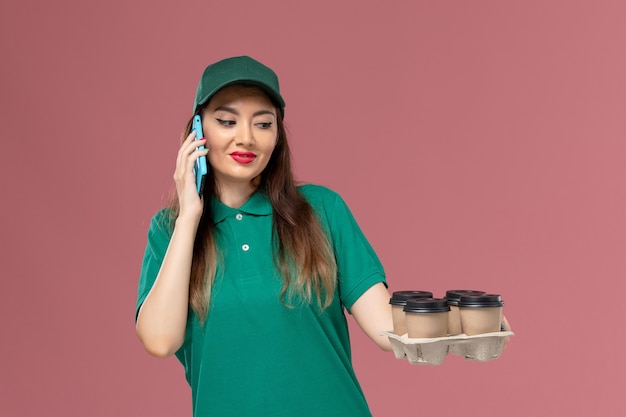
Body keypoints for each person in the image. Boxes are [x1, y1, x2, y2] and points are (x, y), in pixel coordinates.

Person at [135, 55, 394, 417]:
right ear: (197, 130)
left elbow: (390, 330)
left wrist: (462, 323)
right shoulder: (170, 230)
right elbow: (160, 340)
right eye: (227, 121)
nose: (246, 138)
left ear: (277, 136)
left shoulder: (323, 210)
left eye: (263, 123)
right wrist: (189, 216)